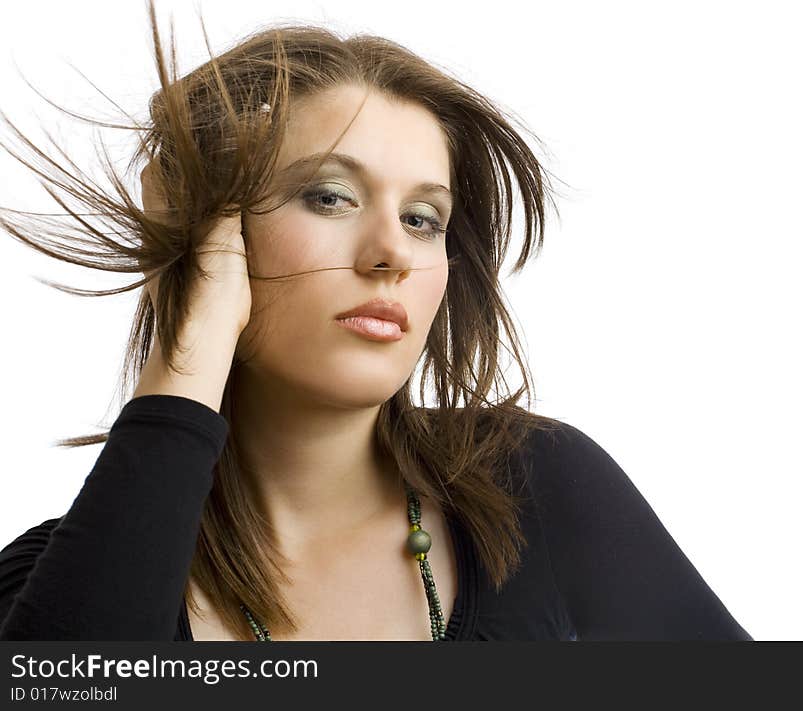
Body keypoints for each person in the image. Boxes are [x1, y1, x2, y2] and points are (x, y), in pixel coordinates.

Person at [0, 1, 751, 641]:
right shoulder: (58, 581)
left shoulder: (538, 484)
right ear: (215, 234)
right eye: (330, 197)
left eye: (424, 219)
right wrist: (190, 350)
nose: (392, 250)